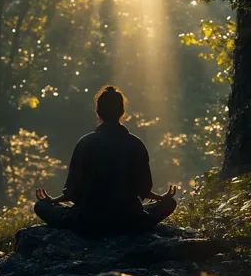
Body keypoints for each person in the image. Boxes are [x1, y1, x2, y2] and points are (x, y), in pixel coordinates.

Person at [34, 85, 177, 235]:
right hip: (129, 219)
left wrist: (53, 201)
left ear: (98, 112)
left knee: (41, 207)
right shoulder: (135, 144)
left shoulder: (85, 143)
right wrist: (161, 198)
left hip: (88, 221)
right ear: (122, 112)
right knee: (169, 204)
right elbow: (144, 189)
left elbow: (73, 192)